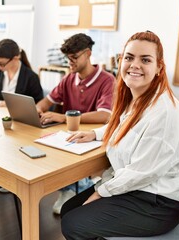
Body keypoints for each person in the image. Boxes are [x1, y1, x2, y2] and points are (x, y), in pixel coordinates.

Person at [60, 31, 179, 239]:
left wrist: (100, 192)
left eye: (145, 60)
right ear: (120, 60)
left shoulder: (165, 113)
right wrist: (95, 133)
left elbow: (141, 172)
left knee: (73, 224)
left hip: (158, 202)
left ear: (159, 67)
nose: (134, 65)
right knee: (68, 209)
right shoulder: (139, 98)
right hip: (140, 188)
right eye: (129, 57)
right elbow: (129, 126)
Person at [36, 33, 115, 214]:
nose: (69, 62)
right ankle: (74, 186)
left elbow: (104, 115)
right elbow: (46, 102)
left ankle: (78, 186)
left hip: (93, 138)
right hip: (70, 136)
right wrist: (38, 109)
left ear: (87, 54)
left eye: (74, 58)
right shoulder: (69, 79)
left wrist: (65, 118)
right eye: (67, 58)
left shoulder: (107, 80)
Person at [0, 39, 43, 106]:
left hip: (19, 115)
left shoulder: (31, 77)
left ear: (15, 58)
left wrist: (12, 104)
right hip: (0, 113)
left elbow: (37, 103)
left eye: (2, 63)